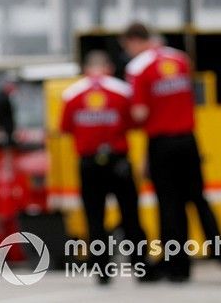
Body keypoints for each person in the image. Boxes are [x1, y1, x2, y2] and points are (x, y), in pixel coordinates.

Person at [123, 22, 221, 282]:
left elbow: (139, 113)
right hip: (188, 139)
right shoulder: (180, 59)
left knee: (170, 205)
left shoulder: (138, 68)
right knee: (198, 199)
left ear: (132, 41)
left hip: (161, 144)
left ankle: (177, 265)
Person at [59, 50, 153, 284]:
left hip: (89, 163)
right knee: (131, 216)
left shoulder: (72, 93)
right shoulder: (122, 90)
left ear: (85, 68)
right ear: (109, 67)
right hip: (118, 161)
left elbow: (66, 127)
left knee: (94, 217)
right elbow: (133, 123)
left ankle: (102, 271)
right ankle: (141, 267)